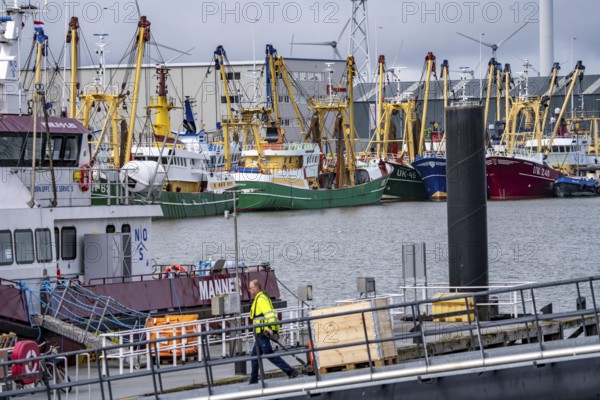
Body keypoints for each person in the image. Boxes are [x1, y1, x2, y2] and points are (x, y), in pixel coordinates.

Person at [248, 279, 298, 384]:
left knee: (269, 353)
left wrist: (271, 329)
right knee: (254, 356)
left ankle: (290, 371)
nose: (249, 290)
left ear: (256, 288)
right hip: (259, 332)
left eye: (251, 288)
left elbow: (270, 315)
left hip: (263, 332)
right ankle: (253, 379)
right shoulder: (259, 298)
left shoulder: (261, 299)